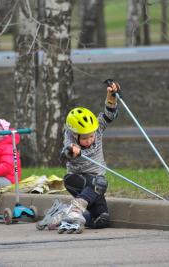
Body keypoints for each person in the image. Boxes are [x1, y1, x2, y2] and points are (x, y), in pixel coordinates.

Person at [60, 82, 120, 233]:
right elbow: (65, 153)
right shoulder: (70, 138)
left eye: (91, 136)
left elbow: (109, 114)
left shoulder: (97, 128)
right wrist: (71, 151)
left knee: (103, 219)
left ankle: (65, 215)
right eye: (85, 138)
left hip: (96, 185)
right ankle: (75, 208)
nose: (90, 139)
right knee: (99, 181)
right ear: (75, 134)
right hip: (76, 179)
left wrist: (111, 96)